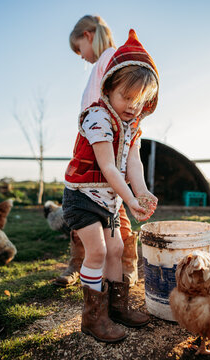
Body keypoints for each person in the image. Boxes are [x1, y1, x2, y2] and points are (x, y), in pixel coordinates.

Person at [63, 29, 159, 342]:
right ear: (108, 89)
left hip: (109, 199)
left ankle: (117, 307)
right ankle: (93, 318)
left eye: (140, 100)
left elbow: (134, 163)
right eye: (126, 97)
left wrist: (141, 192)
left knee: (117, 248)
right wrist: (130, 199)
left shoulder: (132, 126)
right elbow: (106, 165)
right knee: (97, 251)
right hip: (83, 197)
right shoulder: (97, 118)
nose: (133, 106)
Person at [56, 15, 139, 288]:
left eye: (79, 48)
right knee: (100, 214)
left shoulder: (109, 58)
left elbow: (106, 104)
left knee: (114, 212)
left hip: (101, 144)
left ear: (88, 35)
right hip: (96, 140)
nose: (82, 56)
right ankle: (101, 270)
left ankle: (123, 268)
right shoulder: (106, 60)